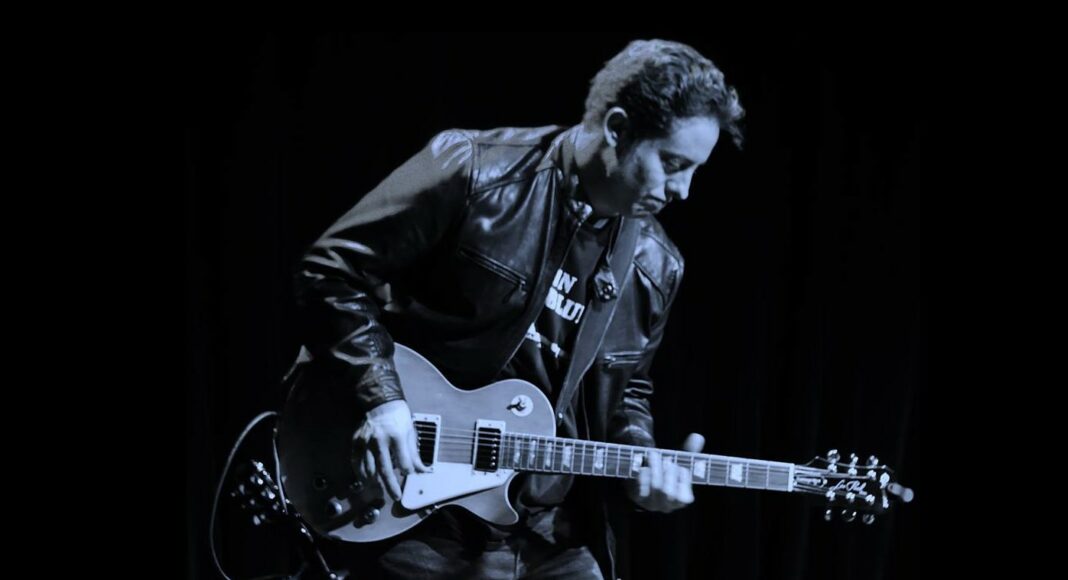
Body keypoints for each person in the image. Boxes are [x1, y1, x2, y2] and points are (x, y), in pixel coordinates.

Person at [289, 38, 745, 579]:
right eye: (672, 163)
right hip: (423, 516)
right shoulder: (475, 170)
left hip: (552, 533)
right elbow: (330, 272)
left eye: (695, 169)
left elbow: (628, 393)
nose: (684, 190)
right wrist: (381, 399)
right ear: (618, 128)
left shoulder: (655, 264)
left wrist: (643, 461)